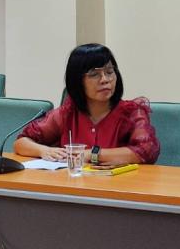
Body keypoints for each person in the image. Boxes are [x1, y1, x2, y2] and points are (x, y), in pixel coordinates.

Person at [14, 43, 160, 167]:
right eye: (94, 74)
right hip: (73, 186)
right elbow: (21, 142)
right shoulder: (67, 114)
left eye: (109, 72)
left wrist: (92, 154)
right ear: (77, 81)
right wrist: (44, 151)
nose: (105, 79)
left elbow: (146, 151)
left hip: (116, 187)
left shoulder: (132, 112)